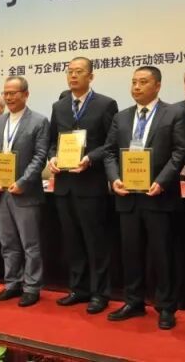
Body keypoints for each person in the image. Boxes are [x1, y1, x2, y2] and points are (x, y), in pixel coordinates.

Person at [104, 66, 185, 329]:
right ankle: (133, 302)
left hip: (158, 197)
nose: (137, 87)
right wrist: (114, 178)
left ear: (158, 85)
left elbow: (180, 151)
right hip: (128, 196)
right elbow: (109, 152)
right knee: (131, 253)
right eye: (134, 82)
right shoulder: (121, 117)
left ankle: (166, 307)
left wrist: (162, 181)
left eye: (143, 82)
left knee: (162, 254)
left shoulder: (174, 113)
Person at [48, 56, 118, 314]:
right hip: (65, 185)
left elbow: (111, 143)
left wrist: (90, 159)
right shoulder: (59, 106)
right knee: (73, 241)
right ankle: (79, 289)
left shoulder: (105, 104)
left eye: (79, 71)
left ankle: (100, 293)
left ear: (91, 76)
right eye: (70, 71)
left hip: (91, 184)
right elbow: (52, 141)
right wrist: (52, 158)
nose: (73, 76)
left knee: (95, 241)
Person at [0, 77, 49, 307]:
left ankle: (32, 287)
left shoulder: (39, 121)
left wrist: (23, 182)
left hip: (24, 192)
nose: (9, 97)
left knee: (31, 244)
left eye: (14, 93)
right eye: (6, 93)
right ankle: (12, 283)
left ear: (26, 94)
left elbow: (40, 157)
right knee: (8, 243)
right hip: (0, 191)